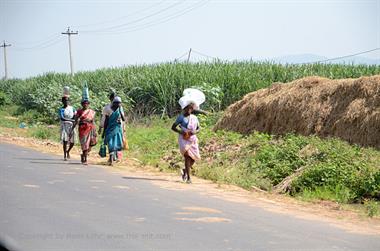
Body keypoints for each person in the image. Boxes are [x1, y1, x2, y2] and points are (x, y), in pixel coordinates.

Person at [171, 102, 201, 183]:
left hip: (192, 139)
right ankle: (188, 178)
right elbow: (173, 127)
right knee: (187, 157)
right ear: (184, 109)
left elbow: (198, 128)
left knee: (194, 158)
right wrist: (181, 132)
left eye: (190, 108)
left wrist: (195, 132)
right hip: (184, 139)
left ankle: (185, 171)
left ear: (192, 109)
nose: (189, 110)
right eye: (187, 108)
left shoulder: (194, 118)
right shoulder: (181, 117)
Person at [70, 99, 97, 165]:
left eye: (87, 103)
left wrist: (95, 130)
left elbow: (93, 121)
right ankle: (85, 159)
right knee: (84, 143)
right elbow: (76, 121)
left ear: (88, 104)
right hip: (82, 129)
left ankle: (84, 155)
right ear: (82, 104)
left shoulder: (91, 111)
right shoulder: (79, 111)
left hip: (90, 128)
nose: (85, 105)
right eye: (84, 103)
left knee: (90, 143)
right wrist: (72, 129)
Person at [104, 96, 125, 165]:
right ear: (114, 103)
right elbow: (106, 121)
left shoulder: (120, 109)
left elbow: (123, 119)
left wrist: (120, 110)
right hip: (110, 128)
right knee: (110, 143)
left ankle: (113, 157)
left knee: (116, 144)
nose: (118, 104)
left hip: (117, 129)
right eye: (116, 103)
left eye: (119, 103)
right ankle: (110, 157)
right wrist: (104, 130)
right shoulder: (108, 109)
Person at [59, 96, 76, 161]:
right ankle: (65, 155)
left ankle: (68, 151)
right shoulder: (61, 109)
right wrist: (71, 120)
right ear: (62, 101)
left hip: (72, 126)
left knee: (73, 141)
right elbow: (62, 118)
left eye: (67, 100)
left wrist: (73, 121)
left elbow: (75, 116)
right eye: (65, 100)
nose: (66, 102)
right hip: (64, 125)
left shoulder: (72, 108)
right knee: (65, 140)